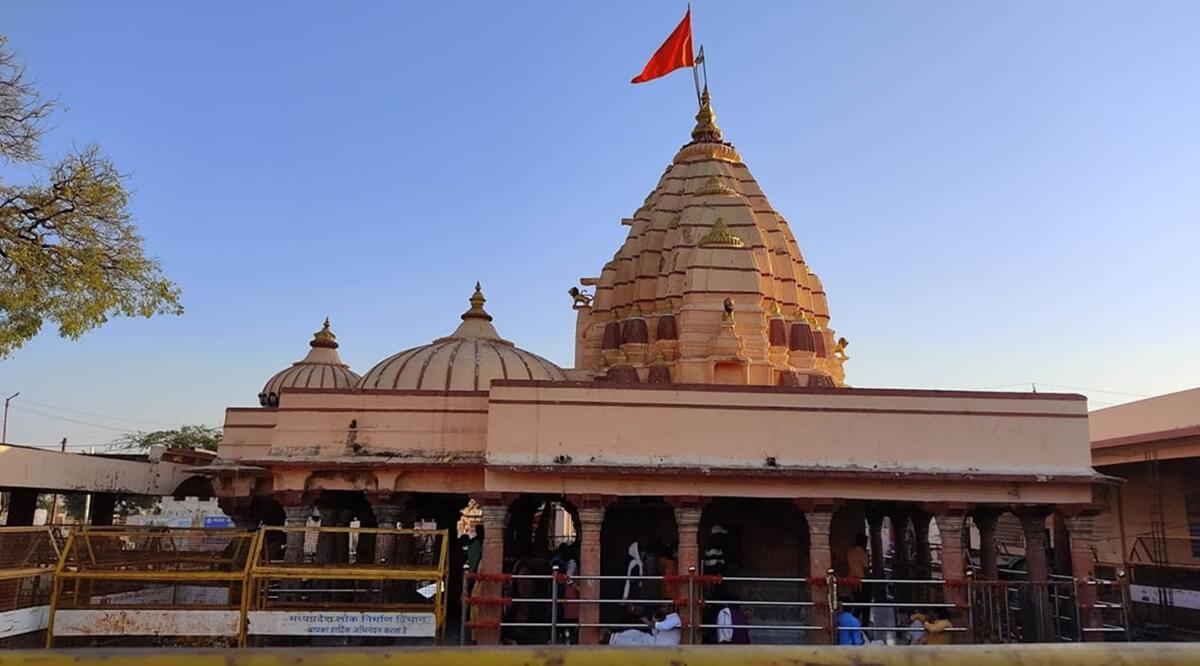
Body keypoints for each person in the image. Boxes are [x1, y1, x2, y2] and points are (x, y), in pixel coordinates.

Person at [846, 534, 871, 622]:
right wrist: (871, 579)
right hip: (861, 580)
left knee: (857, 602)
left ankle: (854, 620)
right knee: (865, 604)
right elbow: (865, 568)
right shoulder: (862, 553)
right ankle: (864, 624)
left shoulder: (850, 551)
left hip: (852, 579)